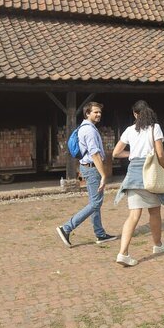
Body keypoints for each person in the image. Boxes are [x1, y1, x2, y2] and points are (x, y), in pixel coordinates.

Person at [112, 100, 164, 267]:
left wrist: (132, 154)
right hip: (150, 173)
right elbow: (160, 153)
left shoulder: (129, 130)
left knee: (133, 216)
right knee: (154, 212)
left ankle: (123, 253)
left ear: (135, 114)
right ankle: (158, 245)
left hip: (133, 175)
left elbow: (116, 153)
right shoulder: (155, 128)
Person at [56, 101, 118, 247]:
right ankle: (66, 228)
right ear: (87, 113)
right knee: (96, 203)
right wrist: (104, 175)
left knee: (94, 202)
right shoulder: (89, 130)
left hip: (88, 167)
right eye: (95, 112)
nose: (99, 114)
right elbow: (94, 154)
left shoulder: (86, 127)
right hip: (92, 169)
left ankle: (100, 234)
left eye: (100, 112)